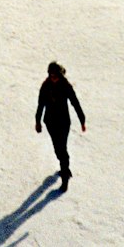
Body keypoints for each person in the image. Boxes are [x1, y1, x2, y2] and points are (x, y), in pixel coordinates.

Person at [35, 61, 86, 191]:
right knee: (58, 149)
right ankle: (65, 168)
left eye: (55, 75)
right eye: (51, 75)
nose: (53, 78)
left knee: (62, 148)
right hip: (50, 122)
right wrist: (38, 121)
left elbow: (75, 102)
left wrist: (82, 120)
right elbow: (41, 104)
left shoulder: (65, 86)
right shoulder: (45, 86)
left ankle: (65, 178)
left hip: (63, 122)